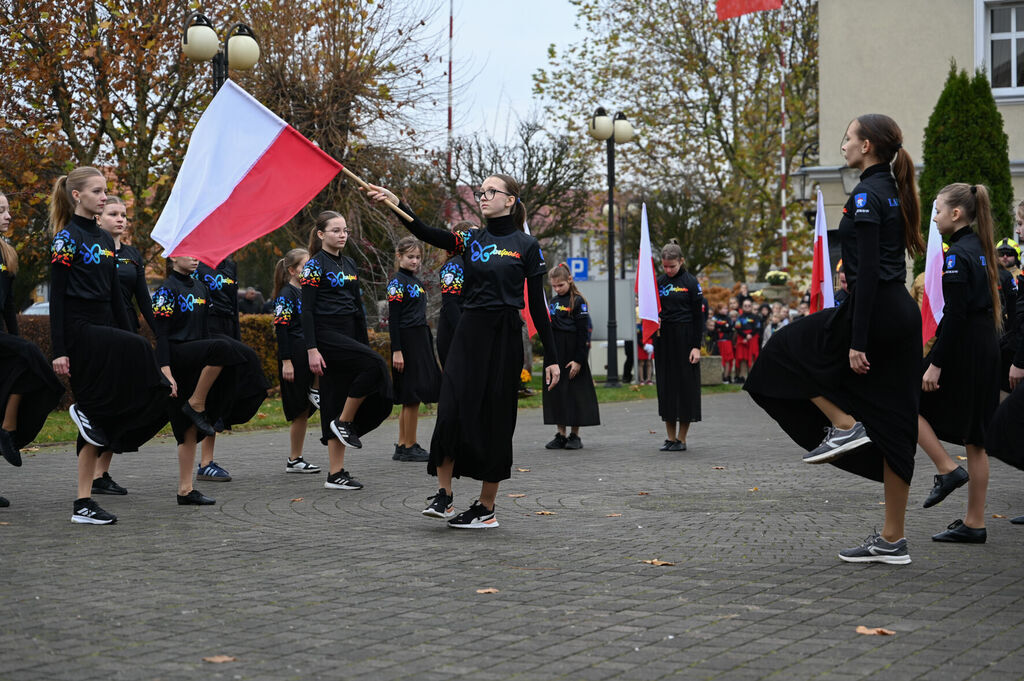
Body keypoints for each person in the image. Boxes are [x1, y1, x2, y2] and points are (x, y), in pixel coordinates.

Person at [744, 114, 925, 564]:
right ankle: (892, 540)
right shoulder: (894, 189)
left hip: (874, 313)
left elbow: (863, 275)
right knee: (897, 427)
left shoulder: (865, 193)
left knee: (782, 352)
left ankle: (844, 425)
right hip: (902, 314)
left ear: (867, 147)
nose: (843, 145)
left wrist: (857, 339)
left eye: (848, 139)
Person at [365, 175, 559, 529]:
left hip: (504, 338)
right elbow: (426, 232)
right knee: (451, 408)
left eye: (491, 192)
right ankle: (444, 496)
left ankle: (486, 508)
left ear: (510, 200)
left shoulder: (528, 246)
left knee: (497, 419)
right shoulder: (471, 239)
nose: (483, 197)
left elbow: (538, 306)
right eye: (480, 192)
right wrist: (397, 204)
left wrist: (554, 357)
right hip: (470, 332)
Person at [48, 167, 170, 524]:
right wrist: (59, 350)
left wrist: (131, 332)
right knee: (133, 356)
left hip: (103, 327)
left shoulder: (103, 240)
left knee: (98, 415)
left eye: (106, 191)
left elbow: (117, 298)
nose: (104, 197)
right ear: (77, 196)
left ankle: (84, 503)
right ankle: (87, 420)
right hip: (80, 330)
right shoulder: (66, 239)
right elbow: (57, 298)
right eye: (98, 192)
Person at [915, 183, 1001, 544]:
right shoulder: (981, 249)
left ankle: (947, 469)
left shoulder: (956, 256)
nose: (932, 218)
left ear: (956, 214)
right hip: (985, 346)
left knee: (907, 404)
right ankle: (975, 522)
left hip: (965, 348)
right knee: (976, 440)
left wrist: (935, 363)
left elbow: (955, 314)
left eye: (936, 210)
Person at [152, 255, 267, 506]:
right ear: (173, 257)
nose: (195, 258)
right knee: (224, 348)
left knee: (188, 430)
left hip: (198, 355)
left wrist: (205, 357)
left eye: (197, 254)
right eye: (189, 254)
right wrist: (166, 371)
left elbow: (204, 330)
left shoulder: (202, 288)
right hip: (176, 354)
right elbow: (160, 335)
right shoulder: (166, 290)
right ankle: (196, 402)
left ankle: (185, 490)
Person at [301, 211, 393, 490]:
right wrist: (311, 349)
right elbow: (305, 310)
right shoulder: (314, 265)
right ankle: (342, 425)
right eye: (335, 230)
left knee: (340, 394)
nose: (342, 235)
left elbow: (357, 307)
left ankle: (336, 472)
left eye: (345, 231)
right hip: (326, 334)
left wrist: (362, 342)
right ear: (321, 234)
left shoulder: (350, 263)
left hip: (349, 333)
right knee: (373, 366)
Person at [0, 190, 64, 507]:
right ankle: (8, 429)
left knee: (25, 362)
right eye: (1, 211)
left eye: (8, 210)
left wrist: (14, 341)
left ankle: (8, 428)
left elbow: (9, 304)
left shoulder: (8, 253)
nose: (8, 216)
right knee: (28, 355)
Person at [90, 196, 154, 496]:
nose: (120, 219)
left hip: (126, 328)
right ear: (98, 217)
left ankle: (102, 472)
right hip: (99, 329)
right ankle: (89, 473)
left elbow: (144, 300)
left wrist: (162, 335)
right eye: (113, 213)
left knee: (122, 400)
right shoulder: (93, 250)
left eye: (124, 214)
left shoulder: (133, 255)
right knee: (101, 399)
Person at [387, 236, 441, 463]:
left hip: (420, 337)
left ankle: (403, 443)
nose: (415, 261)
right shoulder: (397, 283)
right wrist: (397, 350)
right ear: (399, 256)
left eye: (418, 257)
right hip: (408, 339)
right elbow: (394, 319)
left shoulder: (414, 282)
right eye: (410, 257)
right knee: (412, 395)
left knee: (413, 394)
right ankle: (409, 445)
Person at [271, 248, 320, 474]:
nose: (309, 270)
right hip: (296, 357)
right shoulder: (286, 295)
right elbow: (282, 330)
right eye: (304, 266)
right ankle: (294, 458)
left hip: (310, 355)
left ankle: (296, 458)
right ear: (292, 270)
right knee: (299, 410)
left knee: (305, 409)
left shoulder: (309, 292)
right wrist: (286, 362)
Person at [543, 263, 600, 450]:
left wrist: (579, 360)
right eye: (554, 286)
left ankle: (575, 435)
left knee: (575, 394)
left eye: (560, 285)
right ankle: (561, 434)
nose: (557, 289)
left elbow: (584, 333)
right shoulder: (552, 303)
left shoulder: (578, 301)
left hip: (573, 352)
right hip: (556, 352)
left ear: (569, 280)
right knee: (557, 393)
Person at [653, 241, 702, 452]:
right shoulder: (659, 282)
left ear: (681, 261)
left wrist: (696, 346)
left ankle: (682, 439)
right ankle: (670, 437)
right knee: (667, 387)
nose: (668, 270)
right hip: (664, 339)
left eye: (672, 266)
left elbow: (698, 317)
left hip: (685, 338)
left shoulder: (691, 283)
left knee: (684, 388)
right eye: (665, 266)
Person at [436, 220, 477, 367]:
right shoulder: (455, 265)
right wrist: (464, 333)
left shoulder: (472, 264)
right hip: (454, 332)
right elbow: (450, 303)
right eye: (472, 234)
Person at [995, 238, 1021, 392]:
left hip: (1015, 333)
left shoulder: (1021, 275)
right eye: (1001, 253)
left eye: (1009, 254)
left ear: (1016, 256)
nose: (1005, 257)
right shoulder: (991, 274)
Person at [733, 300, 757, 383]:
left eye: (749, 305)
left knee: (752, 358)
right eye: (745, 305)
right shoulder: (740, 317)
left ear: (751, 306)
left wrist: (750, 335)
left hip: (752, 339)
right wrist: (745, 336)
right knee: (742, 358)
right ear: (742, 307)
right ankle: (742, 377)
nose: (747, 307)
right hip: (742, 338)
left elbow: (757, 327)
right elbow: (738, 328)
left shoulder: (755, 317)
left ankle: (752, 377)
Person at [711, 305, 734, 383]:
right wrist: (724, 326)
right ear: (719, 309)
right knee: (720, 359)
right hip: (718, 341)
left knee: (727, 360)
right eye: (724, 308)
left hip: (727, 341)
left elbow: (730, 328)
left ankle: (726, 377)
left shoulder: (728, 318)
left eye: (726, 308)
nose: (726, 310)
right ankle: (718, 377)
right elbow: (714, 326)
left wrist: (721, 327)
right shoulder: (715, 317)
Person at [636, 306, 654, 385]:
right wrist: (643, 345)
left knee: (649, 362)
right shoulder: (639, 326)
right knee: (641, 363)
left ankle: (649, 379)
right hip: (642, 344)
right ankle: (642, 379)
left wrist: (652, 345)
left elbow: (653, 334)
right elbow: (637, 336)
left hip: (650, 343)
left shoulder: (651, 324)